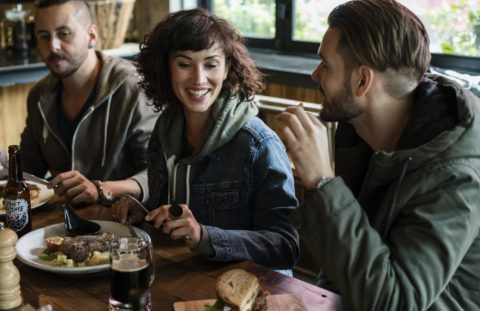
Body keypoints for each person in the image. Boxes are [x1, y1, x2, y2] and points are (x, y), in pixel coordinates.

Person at [277, 0, 480, 309]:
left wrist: (322, 182)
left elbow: (396, 303)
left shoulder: (455, 175)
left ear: (362, 80)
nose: (315, 76)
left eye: (325, 65)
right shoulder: (360, 130)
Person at [112, 8, 299, 270]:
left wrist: (202, 235)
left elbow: (285, 247)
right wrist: (144, 212)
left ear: (227, 69)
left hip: (254, 291)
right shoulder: (164, 132)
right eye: (185, 64)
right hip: (186, 278)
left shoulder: (258, 144)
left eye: (211, 64)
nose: (199, 79)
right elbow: (169, 215)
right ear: (167, 69)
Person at [19, 0, 158, 205]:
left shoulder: (134, 88)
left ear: (91, 35)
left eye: (64, 33)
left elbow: (158, 173)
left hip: (121, 222)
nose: (53, 46)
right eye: (44, 36)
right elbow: (28, 170)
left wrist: (102, 189)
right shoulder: (39, 95)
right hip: (60, 223)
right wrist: (6, 166)